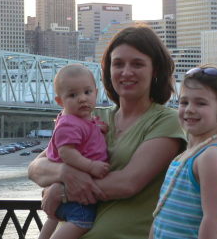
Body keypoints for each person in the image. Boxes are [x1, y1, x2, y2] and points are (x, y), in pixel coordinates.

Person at [28, 25, 187, 239]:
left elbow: (127, 183)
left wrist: (63, 192)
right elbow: (36, 167)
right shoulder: (90, 117)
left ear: (155, 70)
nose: (126, 72)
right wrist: (64, 173)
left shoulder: (167, 121)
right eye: (118, 64)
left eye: (137, 64)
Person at [150, 66, 217, 239]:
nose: (190, 109)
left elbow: (212, 219)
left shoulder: (212, 155)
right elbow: (162, 213)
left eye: (201, 103)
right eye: (184, 102)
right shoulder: (187, 154)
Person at [38, 64, 109, 239]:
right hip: (73, 190)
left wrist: (97, 127)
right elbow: (67, 153)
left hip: (64, 189)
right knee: (82, 221)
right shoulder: (69, 123)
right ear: (60, 102)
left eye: (87, 92)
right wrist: (91, 166)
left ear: (96, 92)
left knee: (53, 218)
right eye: (73, 95)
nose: (82, 99)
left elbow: (84, 138)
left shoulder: (83, 121)